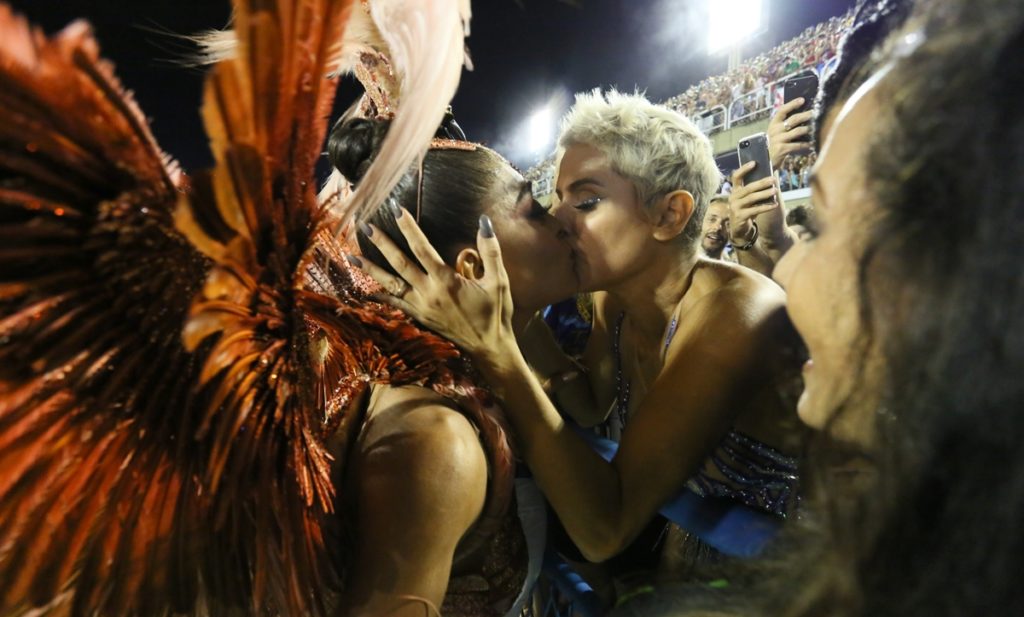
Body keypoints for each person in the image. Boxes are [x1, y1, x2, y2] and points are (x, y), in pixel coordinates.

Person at [353, 90, 806, 602]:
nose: (559, 217)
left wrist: (497, 350)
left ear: (668, 216)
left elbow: (603, 530)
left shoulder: (736, 310)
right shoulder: (613, 304)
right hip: (691, 554)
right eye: (556, 197)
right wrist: (509, 310)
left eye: (586, 201)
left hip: (808, 573)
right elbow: (589, 404)